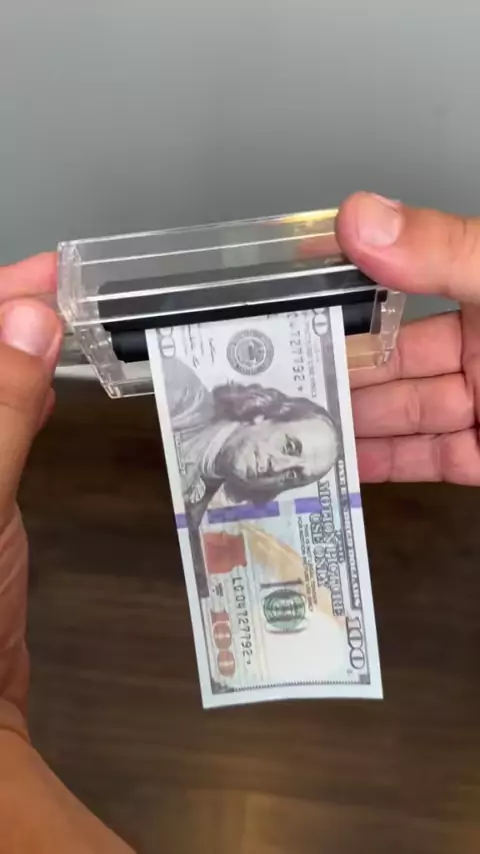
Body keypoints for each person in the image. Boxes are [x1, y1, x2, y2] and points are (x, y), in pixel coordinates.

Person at [0, 192, 479, 850]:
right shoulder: (188, 396)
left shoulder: (216, 504)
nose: (284, 470)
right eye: (290, 447)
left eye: (297, 474)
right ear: (263, 412)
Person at [161, 354, 340, 527]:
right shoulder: (179, 389)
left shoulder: (191, 520)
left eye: (293, 475)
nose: (277, 468)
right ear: (264, 415)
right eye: (288, 447)